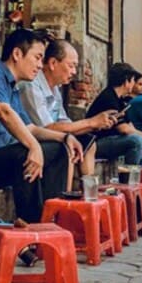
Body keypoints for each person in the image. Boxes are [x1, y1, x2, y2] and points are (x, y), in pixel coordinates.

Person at [0, 29, 84, 222]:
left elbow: (30, 128)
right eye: (37, 58)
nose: (40, 65)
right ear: (17, 54)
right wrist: (33, 146)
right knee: (24, 154)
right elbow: (5, 113)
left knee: (59, 150)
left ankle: (50, 219)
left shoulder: (12, 88)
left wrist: (65, 137)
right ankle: (33, 225)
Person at [19, 39, 124, 183]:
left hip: (52, 135)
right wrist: (91, 122)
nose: (74, 72)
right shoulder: (31, 86)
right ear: (53, 63)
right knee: (67, 147)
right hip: (33, 138)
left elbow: (64, 122)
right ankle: (65, 198)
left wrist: (93, 125)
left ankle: (88, 190)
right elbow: (47, 127)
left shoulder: (55, 88)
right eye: (71, 66)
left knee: (88, 142)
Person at [85, 63, 142, 168]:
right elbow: (123, 128)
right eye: (132, 80)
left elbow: (129, 125)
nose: (133, 83)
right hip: (96, 143)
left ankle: (140, 172)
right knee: (136, 141)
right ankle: (129, 176)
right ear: (126, 81)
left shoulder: (119, 99)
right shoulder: (109, 98)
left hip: (109, 140)